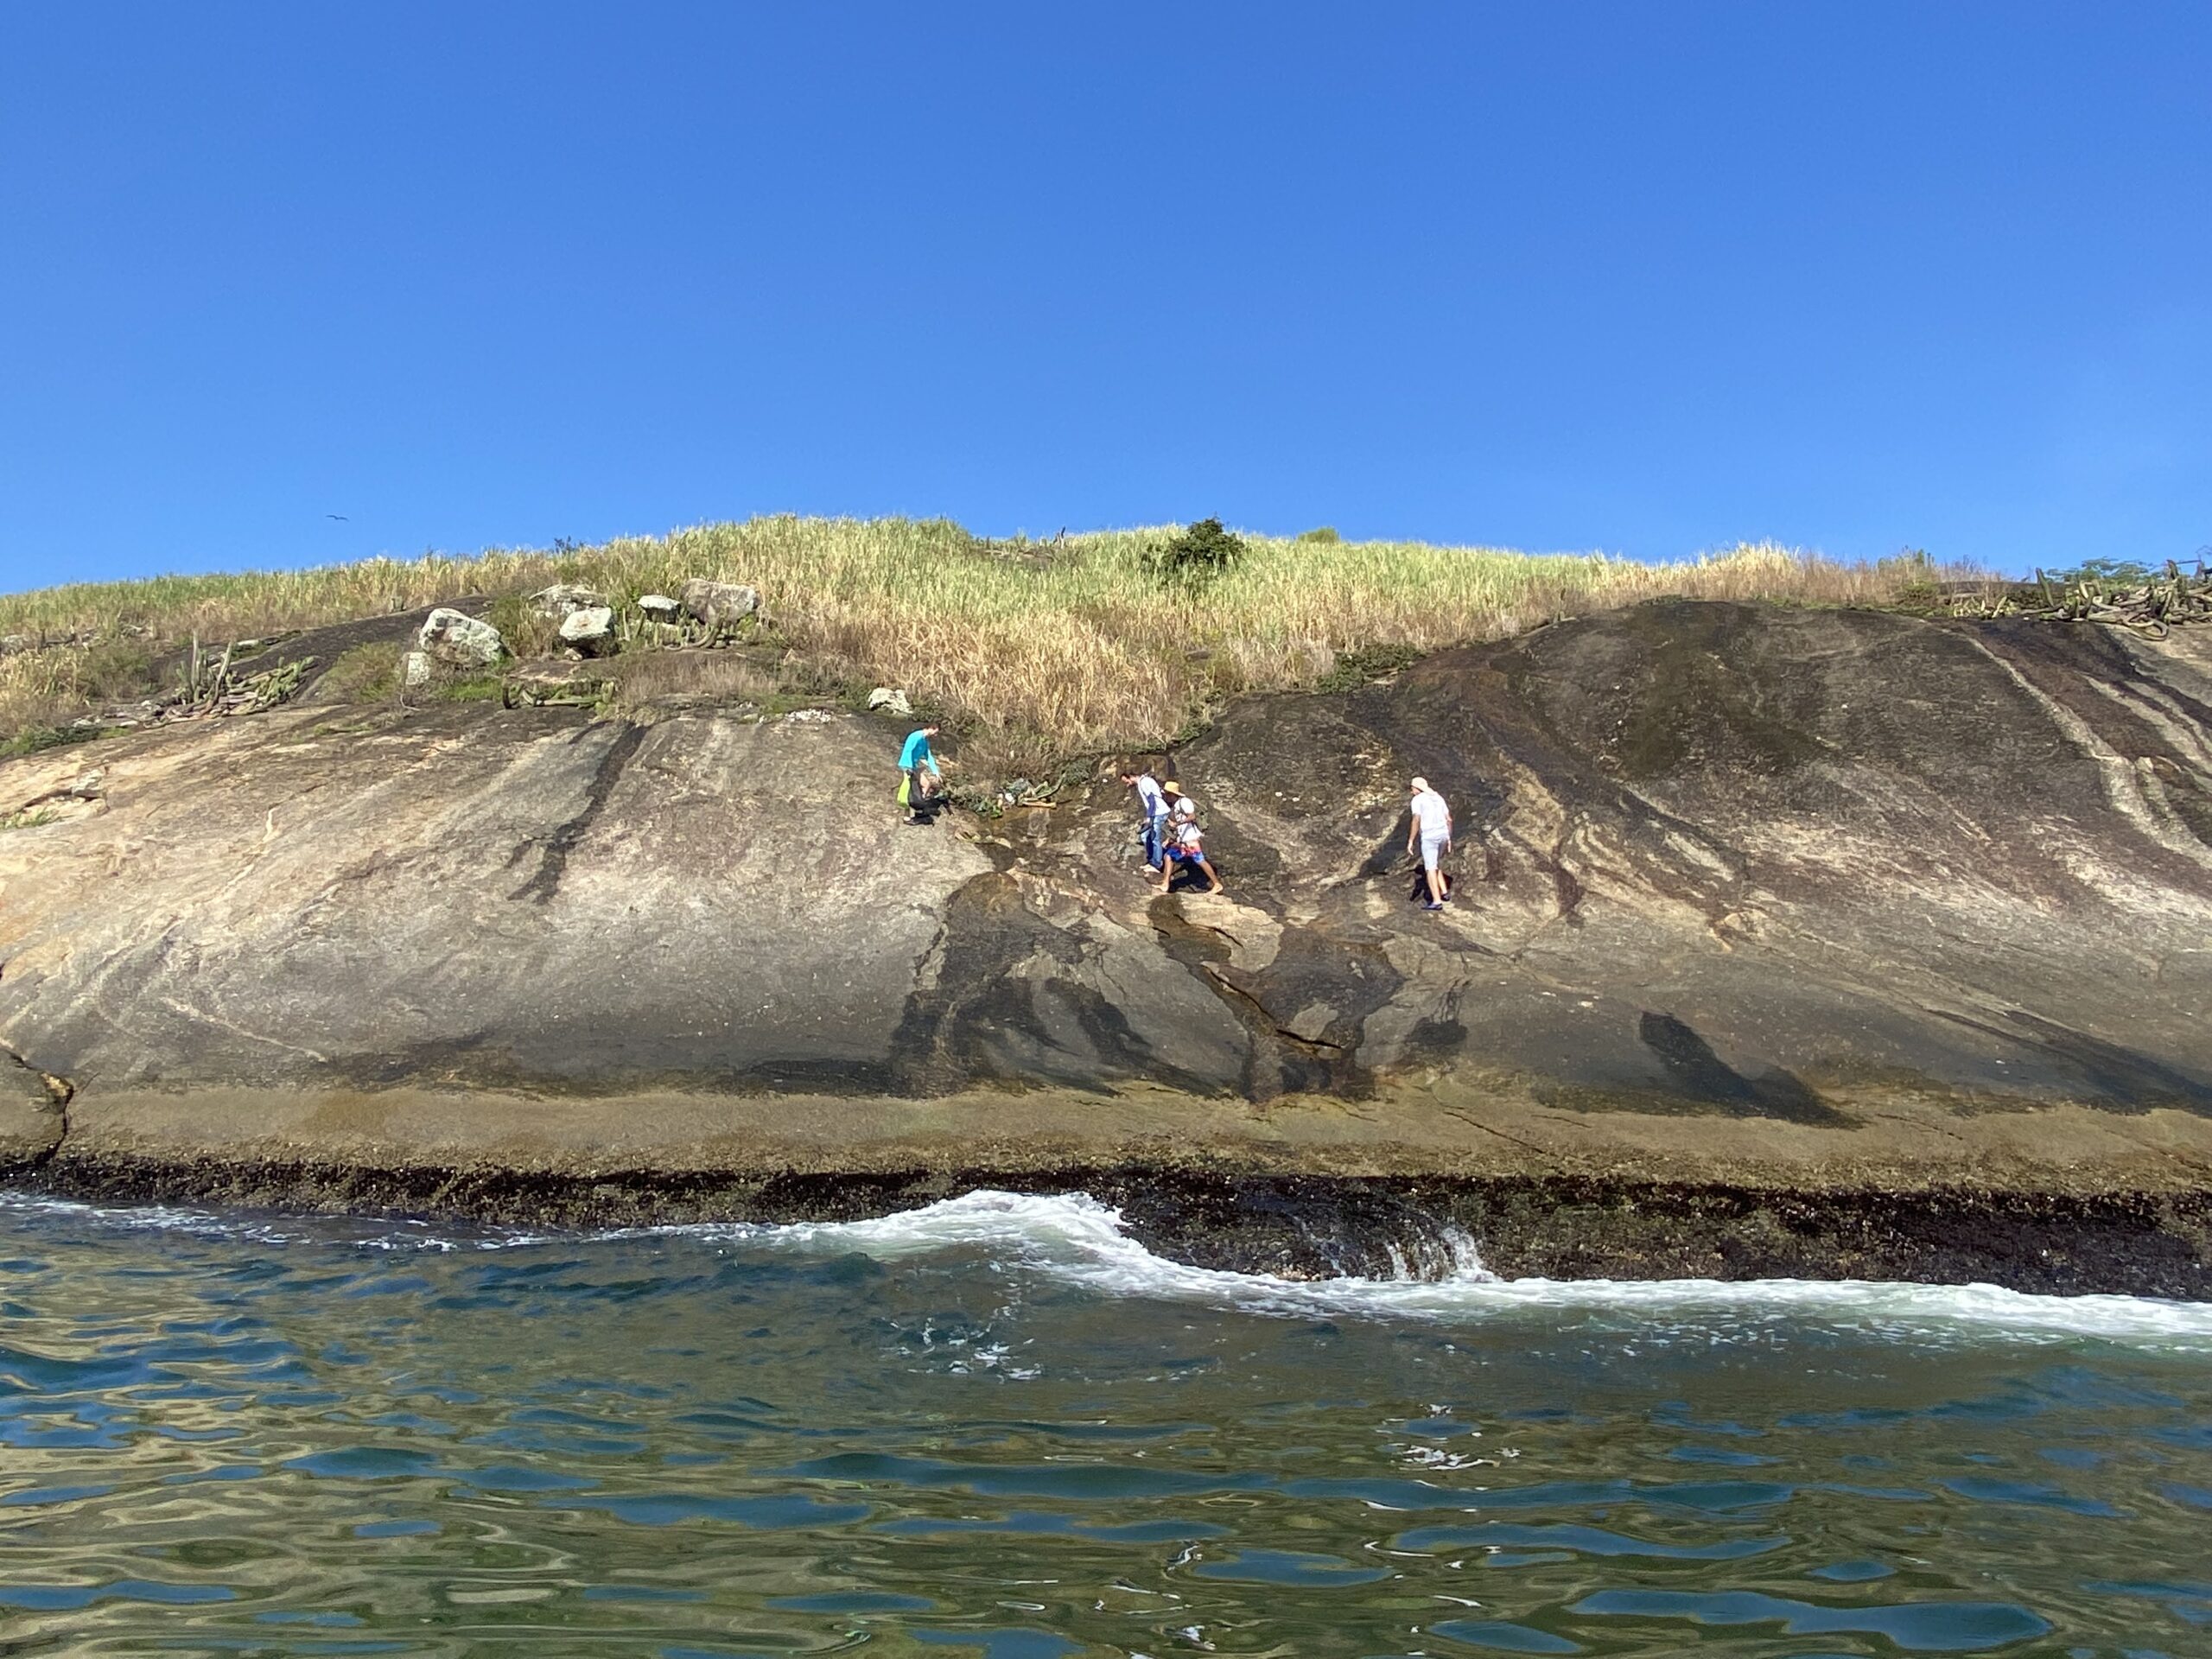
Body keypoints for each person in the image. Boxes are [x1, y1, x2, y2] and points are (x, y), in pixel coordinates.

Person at [1158, 796, 1225, 895]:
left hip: (1191, 840)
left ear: (1171, 794)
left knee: (1199, 860)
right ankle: (1165, 883)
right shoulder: (1176, 805)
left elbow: (1192, 816)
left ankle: (1217, 884)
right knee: (1170, 856)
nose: (1165, 796)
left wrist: (1177, 824)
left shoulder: (1184, 802)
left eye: (1167, 794)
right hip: (1186, 840)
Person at [1406, 775, 1452, 910]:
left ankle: (1436, 901)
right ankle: (1444, 892)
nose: (1411, 791)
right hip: (1443, 834)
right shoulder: (1438, 797)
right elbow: (1449, 819)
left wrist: (1411, 840)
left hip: (1430, 836)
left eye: (1412, 788)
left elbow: (1416, 819)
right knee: (1435, 863)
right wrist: (1449, 838)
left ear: (1416, 789)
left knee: (1430, 868)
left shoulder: (1417, 800)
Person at [1121, 765, 1171, 874]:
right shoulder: (1142, 783)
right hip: (1154, 813)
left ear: (1131, 777)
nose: (1127, 784)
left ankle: (1158, 864)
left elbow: (1152, 800)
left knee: (1154, 838)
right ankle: (1151, 860)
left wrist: (1149, 817)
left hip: (1159, 812)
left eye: (1127, 781)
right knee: (1144, 836)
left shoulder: (1145, 782)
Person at [899, 725, 942, 824]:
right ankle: (907, 817)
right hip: (907, 765)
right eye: (936, 732)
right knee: (909, 791)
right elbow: (908, 751)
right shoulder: (916, 736)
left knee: (926, 784)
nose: (936, 735)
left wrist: (936, 772)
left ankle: (919, 807)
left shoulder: (924, 741)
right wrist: (909, 769)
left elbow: (928, 756)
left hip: (913, 766)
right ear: (931, 727)